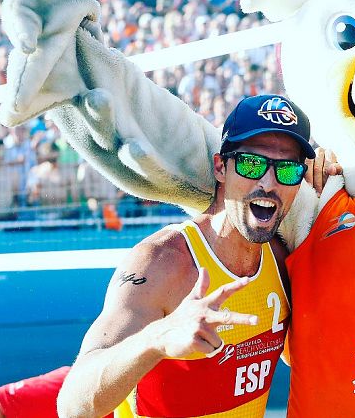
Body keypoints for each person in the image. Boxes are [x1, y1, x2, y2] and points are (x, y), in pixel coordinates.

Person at [56, 94, 316, 417]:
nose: (268, 182)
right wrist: (159, 337)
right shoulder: (162, 262)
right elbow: (72, 405)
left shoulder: (282, 263)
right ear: (221, 167)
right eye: (252, 163)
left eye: (287, 170)